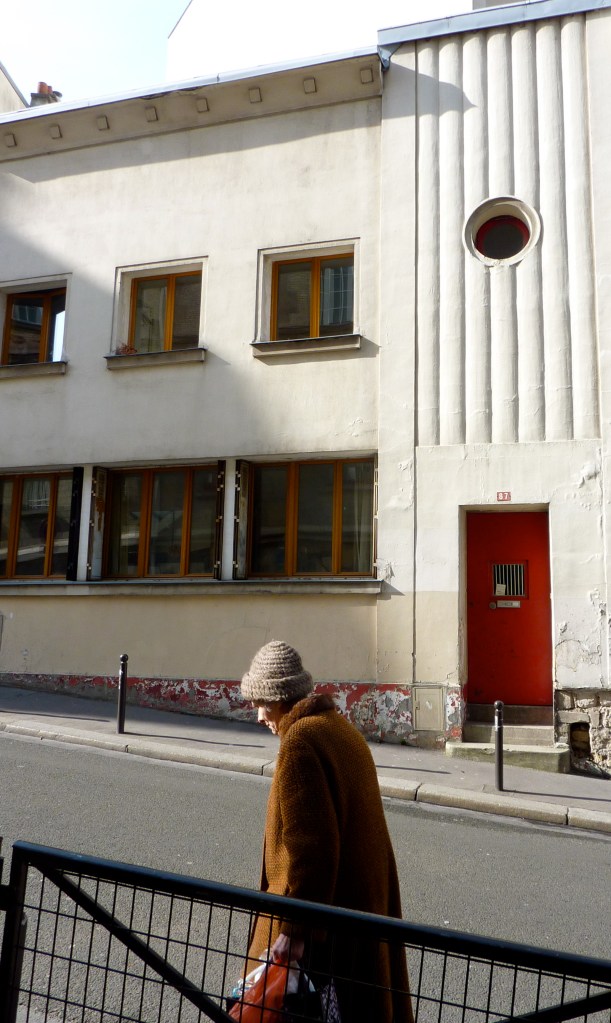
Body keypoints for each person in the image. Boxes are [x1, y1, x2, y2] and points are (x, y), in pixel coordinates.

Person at [241, 640, 414, 1023]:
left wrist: (294, 929)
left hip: (328, 931)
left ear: (282, 698)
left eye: (262, 704)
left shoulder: (301, 743)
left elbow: (313, 852)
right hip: (359, 915)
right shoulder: (339, 729)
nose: (258, 716)